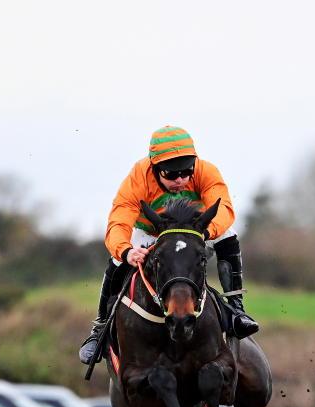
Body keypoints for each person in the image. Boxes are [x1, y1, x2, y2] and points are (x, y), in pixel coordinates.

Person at [78, 125, 259, 365]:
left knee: (227, 234)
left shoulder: (206, 171)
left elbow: (223, 207)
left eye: (186, 172)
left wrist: (205, 233)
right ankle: (100, 328)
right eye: (171, 175)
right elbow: (119, 221)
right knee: (117, 260)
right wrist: (126, 251)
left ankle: (236, 309)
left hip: (194, 230)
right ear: (154, 168)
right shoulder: (138, 178)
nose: (181, 180)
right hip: (151, 232)